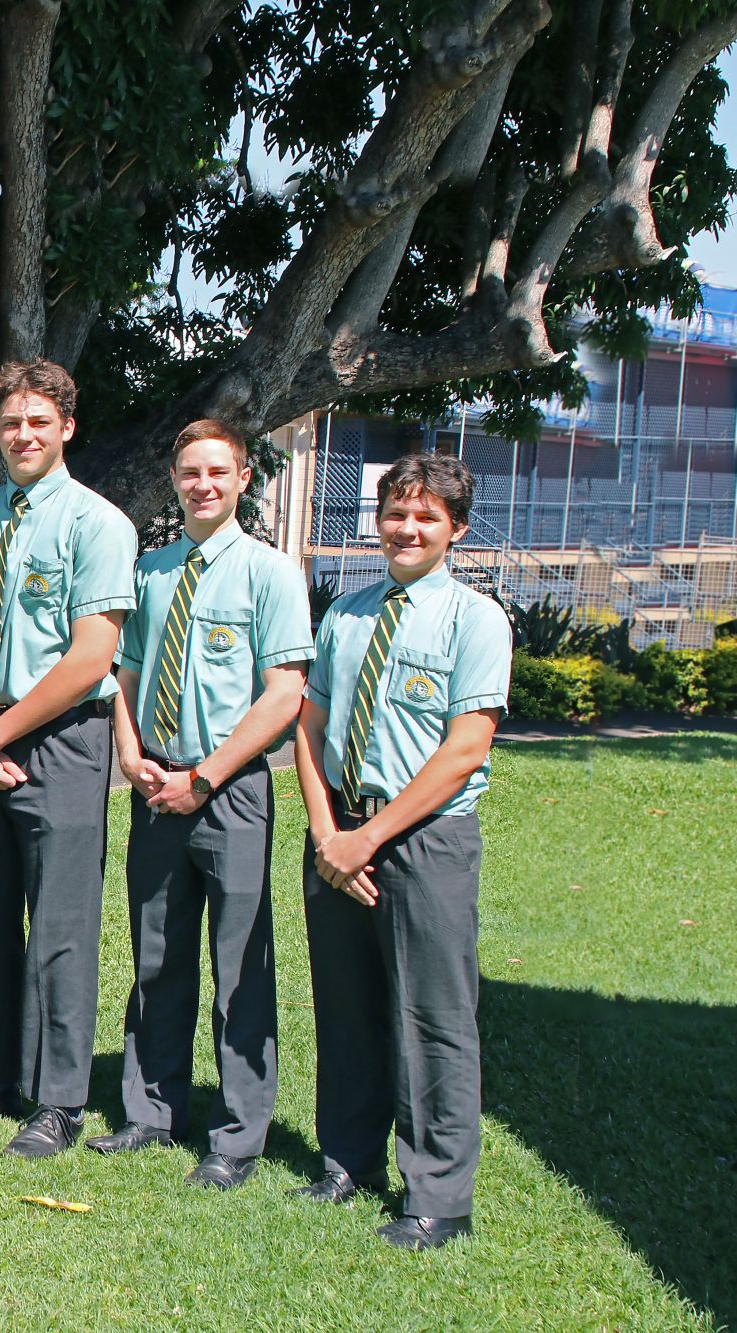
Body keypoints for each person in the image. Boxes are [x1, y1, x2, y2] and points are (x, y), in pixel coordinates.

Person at [292, 452, 511, 1250]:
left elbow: (465, 748)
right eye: (395, 512)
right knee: (346, 1009)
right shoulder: (346, 613)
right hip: (338, 835)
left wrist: (367, 840)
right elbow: (309, 728)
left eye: (426, 517)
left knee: (432, 1018)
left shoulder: (476, 620)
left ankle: (437, 1196)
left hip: (423, 840)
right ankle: (347, 1159)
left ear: (454, 529)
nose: (407, 528)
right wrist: (327, 835)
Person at [93, 419, 312, 1186]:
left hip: (230, 791)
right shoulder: (150, 572)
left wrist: (206, 776)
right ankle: (151, 1109)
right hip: (156, 784)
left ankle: (237, 1135)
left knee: (239, 961)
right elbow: (121, 672)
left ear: (245, 478)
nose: (204, 485)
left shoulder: (271, 574)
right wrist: (130, 754)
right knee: (156, 955)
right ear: (177, 479)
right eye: (191, 472)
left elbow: (284, 693)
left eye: (218, 472)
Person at [0, 358, 136, 1159]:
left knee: (60, 925)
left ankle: (58, 1098)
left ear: (67, 428)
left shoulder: (99, 525)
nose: (23, 435)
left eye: (38, 422)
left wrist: (1, 731)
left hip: (61, 742)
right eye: (11, 422)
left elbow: (92, 656)